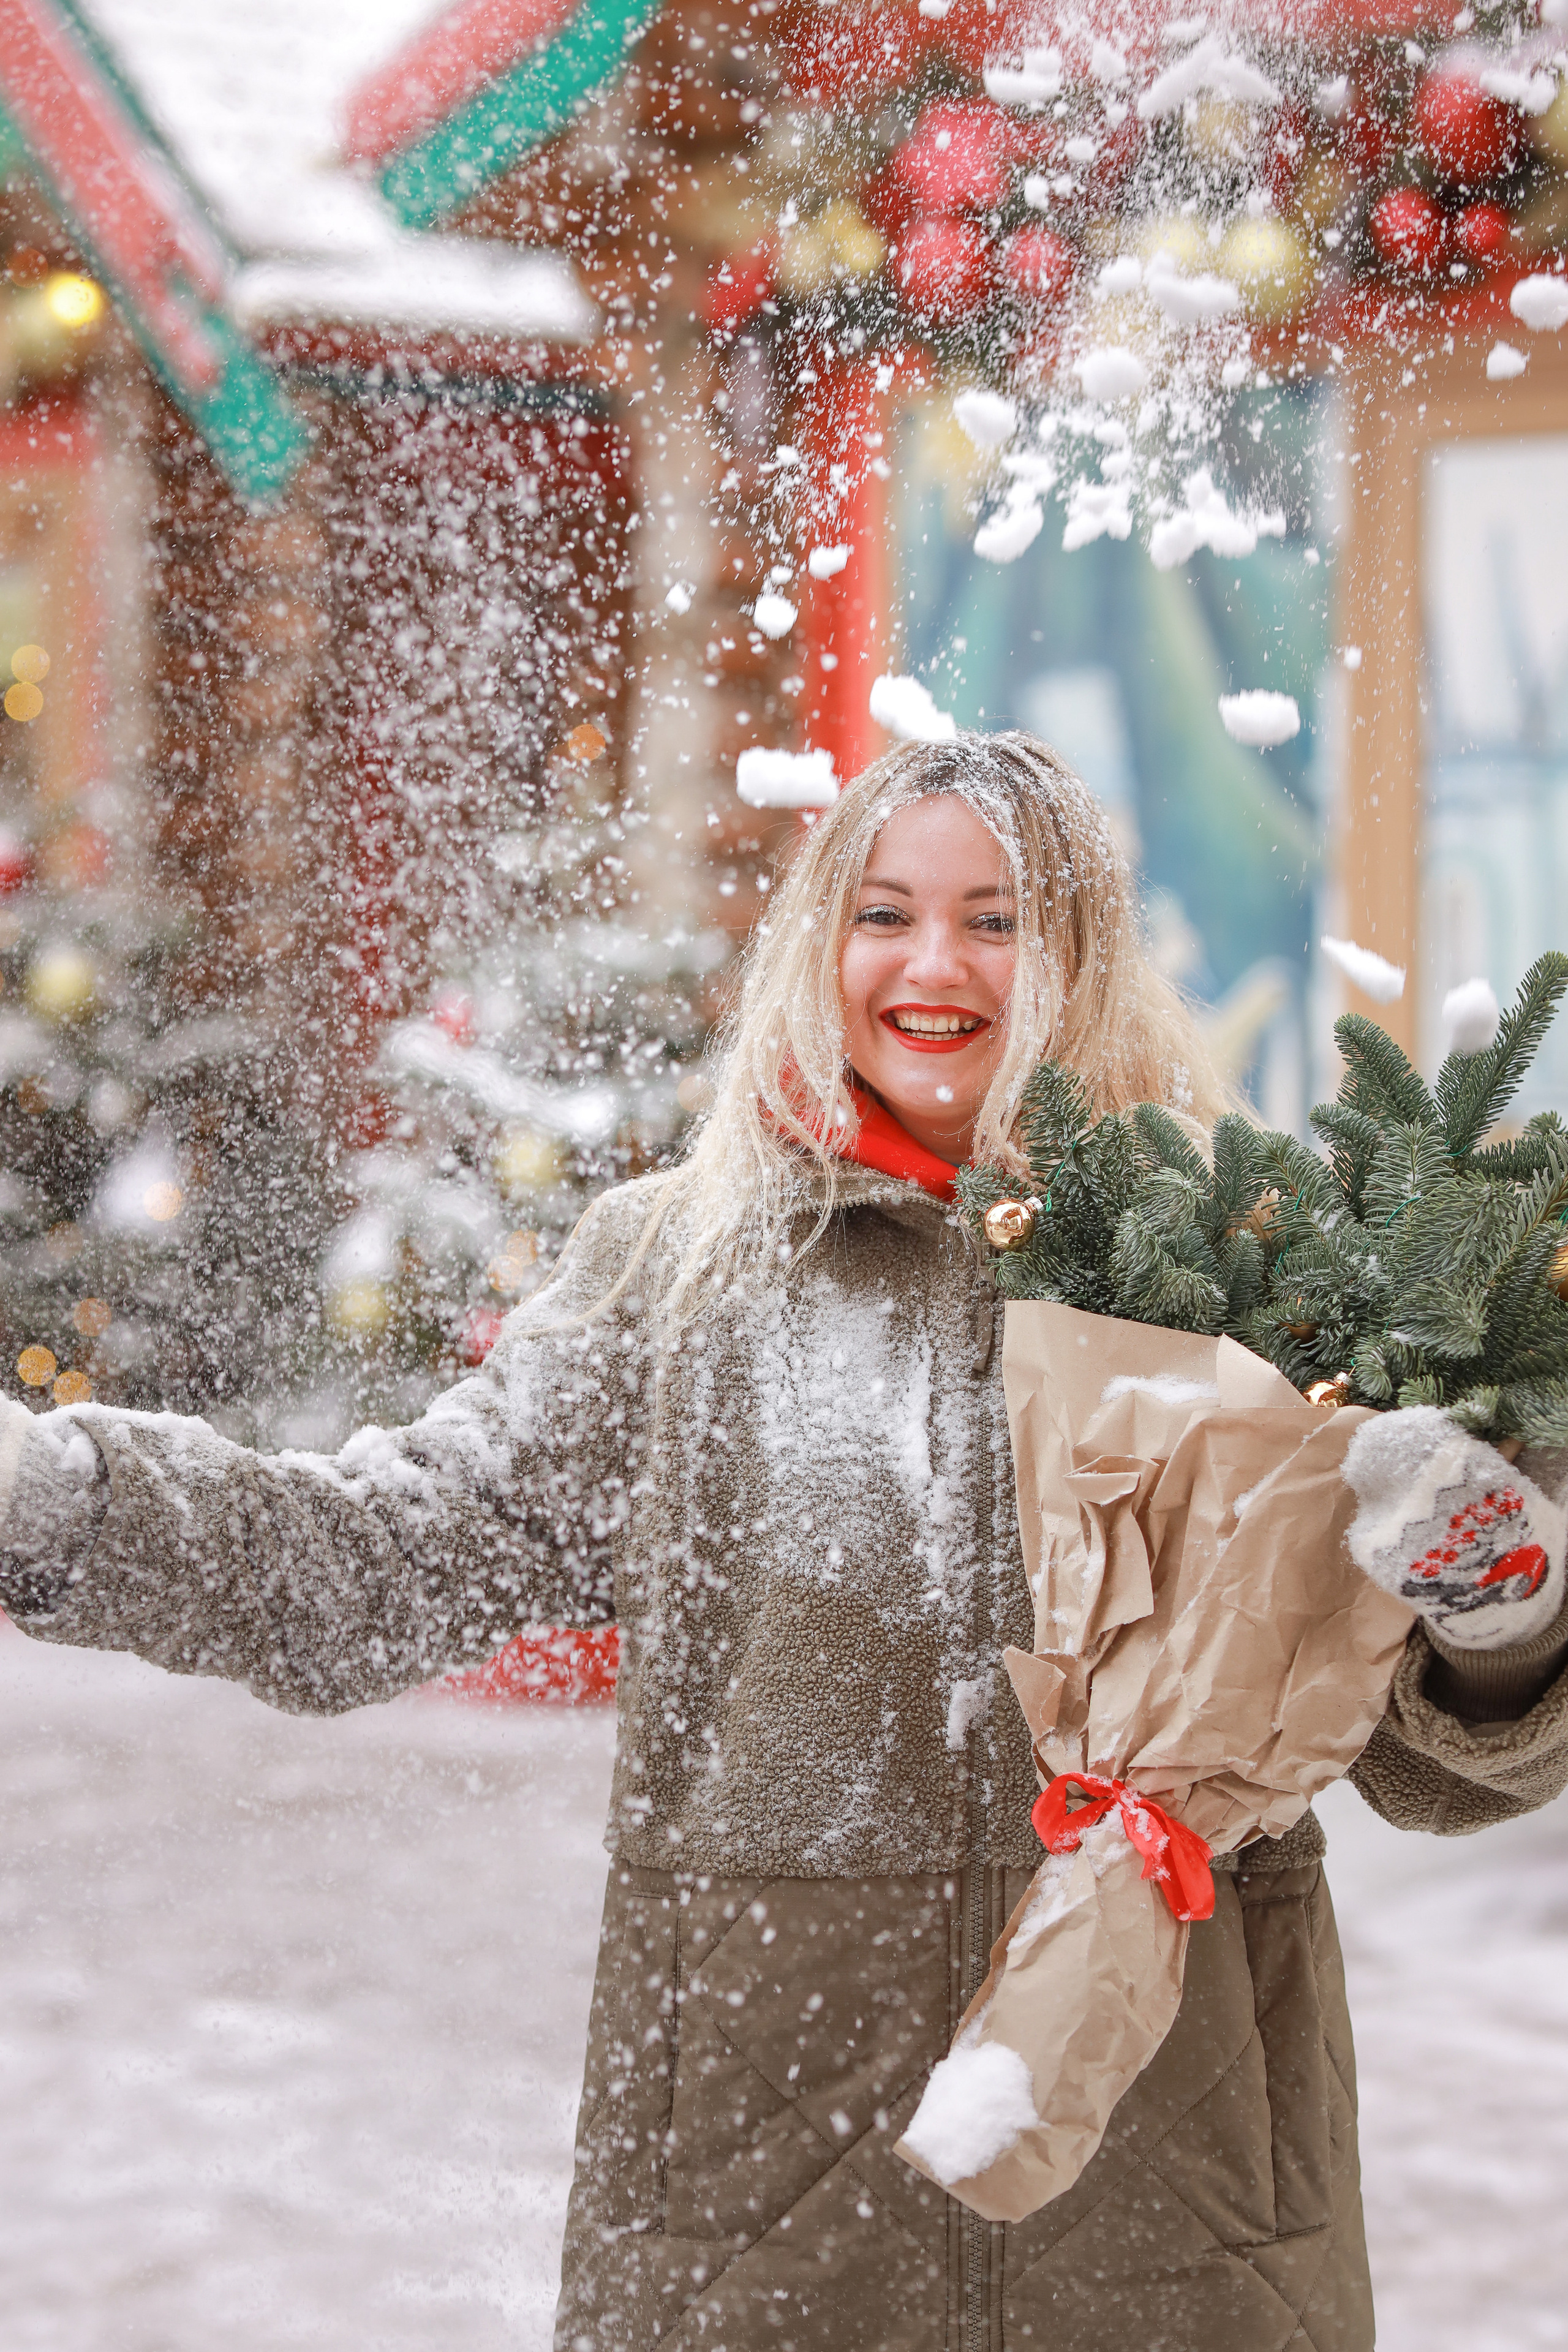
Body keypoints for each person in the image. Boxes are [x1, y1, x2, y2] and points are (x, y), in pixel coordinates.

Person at [4, 731, 1567, 2352]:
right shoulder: (679, 1280)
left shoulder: (1256, 1274)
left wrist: (1501, 1597)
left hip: (1180, 2227)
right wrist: (55, 1499)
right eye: (884, 912)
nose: (933, 963)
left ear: (1086, 953)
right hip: (767, 2224)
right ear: (820, 944)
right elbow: (379, 1566)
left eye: (998, 917)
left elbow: (1440, 1767)